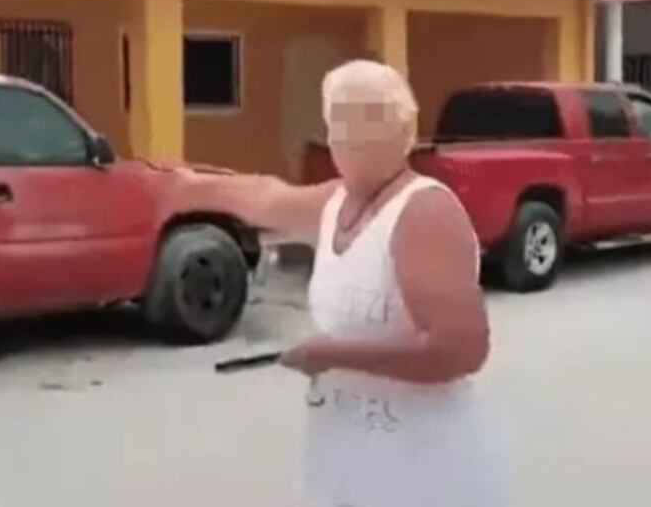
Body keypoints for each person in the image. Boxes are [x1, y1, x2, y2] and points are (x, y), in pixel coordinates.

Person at [172, 60, 503, 506]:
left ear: (399, 132)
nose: (343, 140)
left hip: (421, 463)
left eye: (358, 126)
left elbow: (459, 349)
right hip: (346, 454)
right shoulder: (338, 201)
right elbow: (267, 197)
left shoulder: (423, 213)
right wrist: (190, 186)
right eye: (336, 123)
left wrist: (331, 354)